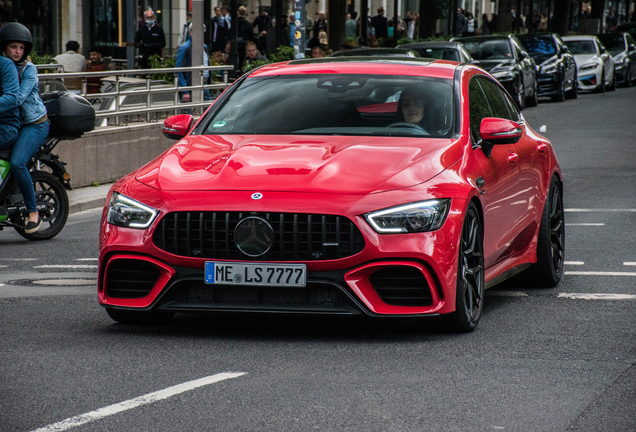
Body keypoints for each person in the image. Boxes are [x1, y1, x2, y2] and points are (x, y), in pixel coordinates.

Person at [0, 23, 48, 233]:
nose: (17, 52)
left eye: (21, 48)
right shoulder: (6, 67)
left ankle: (33, 212)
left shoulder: (29, 69)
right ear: (5, 48)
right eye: (13, 47)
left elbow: (16, 99)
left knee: (18, 162)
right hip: (19, 124)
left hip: (35, 124)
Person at [176, 24, 211, 109]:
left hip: (205, 83)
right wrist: (184, 91)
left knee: (209, 111)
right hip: (190, 85)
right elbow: (179, 70)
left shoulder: (204, 47)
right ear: (191, 32)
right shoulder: (184, 48)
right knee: (189, 113)